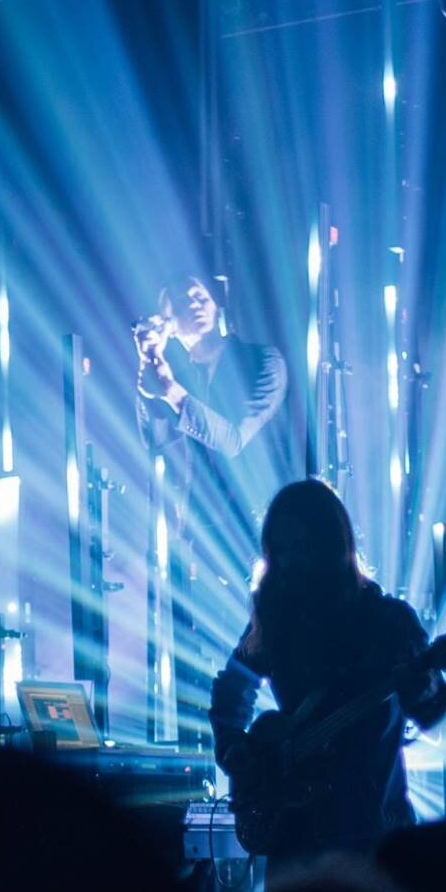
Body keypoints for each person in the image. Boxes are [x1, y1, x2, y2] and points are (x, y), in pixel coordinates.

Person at [210, 479, 446, 864]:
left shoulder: (387, 621)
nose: (290, 562)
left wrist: (423, 685)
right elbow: (232, 691)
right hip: (297, 835)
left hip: (373, 830)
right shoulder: (275, 620)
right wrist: (236, 749)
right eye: (281, 550)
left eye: (301, 547)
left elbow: (432, 710)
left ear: (330, 545)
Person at [135, 272, 290, 743]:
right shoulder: (171, 376)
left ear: (219, 306)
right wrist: (149, 366)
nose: (195, 301)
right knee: (206, 667)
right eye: (181, 298)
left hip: (265, 538)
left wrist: (170, 388)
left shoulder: (263, 361)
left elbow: (234, 439)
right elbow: (156, 441)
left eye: (202, 294)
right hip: (197, 539)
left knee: (272, 658)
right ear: (170, 319)